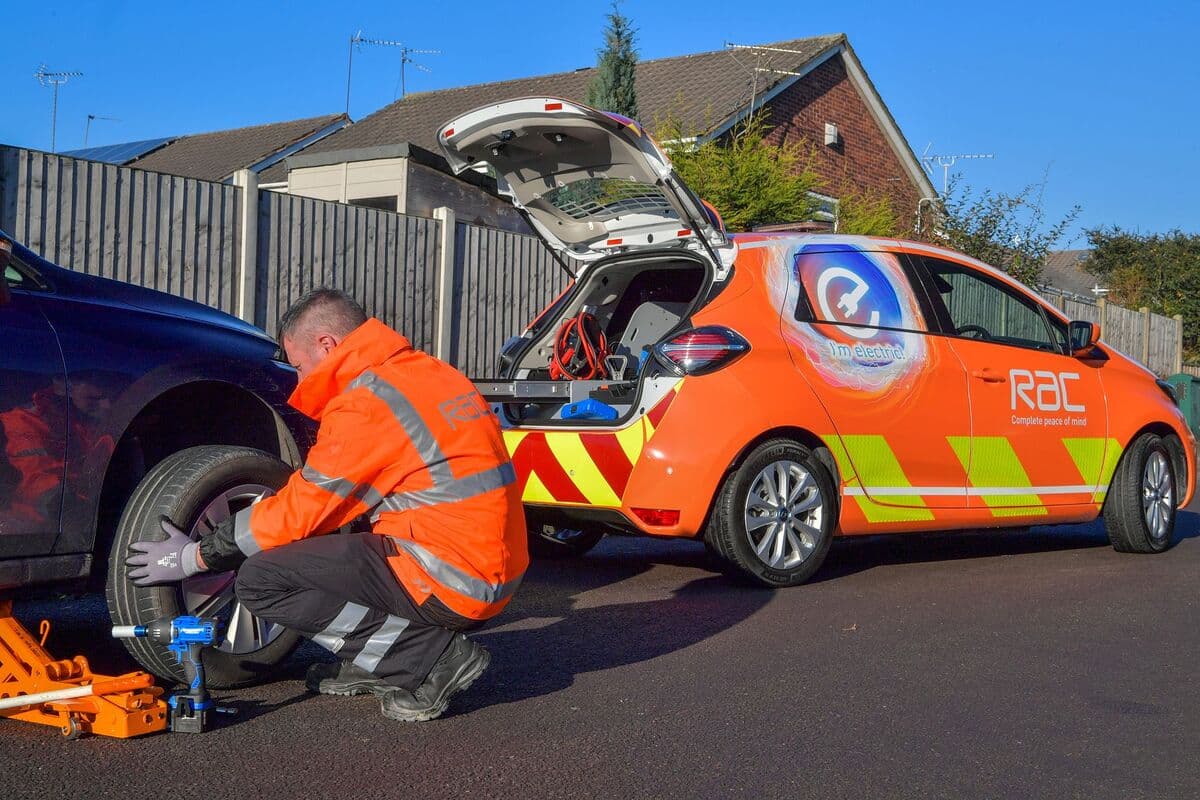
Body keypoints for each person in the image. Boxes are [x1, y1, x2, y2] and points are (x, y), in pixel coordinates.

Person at [127, 288, 528, 722]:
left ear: (327, 345)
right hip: (488, 567)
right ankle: (381, 659)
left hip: (449, 578)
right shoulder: (429, 373)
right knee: (341, 526)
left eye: (299, 366)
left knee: (261, 579)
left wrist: (199, 555)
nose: (299, 382)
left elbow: (304, 508)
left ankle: (429, 661)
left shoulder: (367, 403)